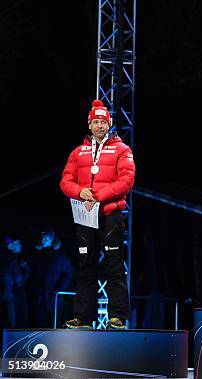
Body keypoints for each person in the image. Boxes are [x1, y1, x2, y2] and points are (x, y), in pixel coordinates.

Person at [60, 100, 135, 329]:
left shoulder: (122, 149)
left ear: (109, 124)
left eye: (103, 122)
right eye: (96, 122)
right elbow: (65, 181)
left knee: (114, 263)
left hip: (110, 213)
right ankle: (83, 318)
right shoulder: (78, 152)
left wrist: (98, 196)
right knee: (85, 264)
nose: (100, 125)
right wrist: (80, 192)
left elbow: (127, 180)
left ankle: (117, 317)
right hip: (85, 214)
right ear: (89, 124)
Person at [30, 228, 73, 327]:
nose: (42, 240)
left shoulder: (60, 256)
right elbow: (32, 274)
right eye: (42, 238)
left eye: (45, 238)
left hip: (54, 299)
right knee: (38, 325)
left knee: (53, 325)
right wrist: (35, 290)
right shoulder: (36, 254)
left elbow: (67, 274)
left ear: (51, 240)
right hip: (39, 298)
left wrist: (58, 290)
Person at [1, 234, 30, 329]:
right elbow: (19, 279)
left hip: (5, 295)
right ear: (11, 245)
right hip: (9, 297)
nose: (20, 245)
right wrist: (25, 268)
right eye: (18, 243)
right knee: (10, 325)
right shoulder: (12, 259)